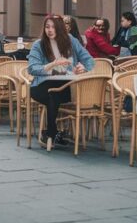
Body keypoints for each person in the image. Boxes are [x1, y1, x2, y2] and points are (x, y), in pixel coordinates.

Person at [27, 15, 95, 151]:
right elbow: (32, 68)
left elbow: (89, 60)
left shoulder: (70, 40)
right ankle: (53, 133)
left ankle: (50, 133)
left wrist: (84, 67)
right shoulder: (38, 45)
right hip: (42, 85)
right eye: (47, 27)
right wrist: (52, 64)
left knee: (55, 95)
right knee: (53, 96)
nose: (50, 30)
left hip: (65, 86)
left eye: (53, 27)